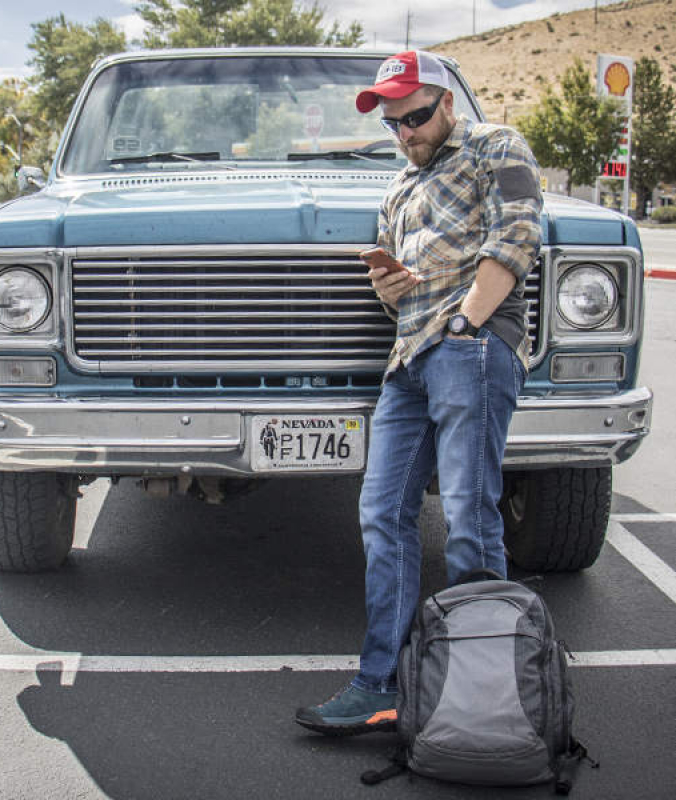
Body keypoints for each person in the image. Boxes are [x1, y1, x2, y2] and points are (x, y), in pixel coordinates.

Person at [295, 50, 543, 735]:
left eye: (415, 115)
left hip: (469, 348)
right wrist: (386, 289)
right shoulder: (400, 187)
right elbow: (398, 289)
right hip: (407, 360)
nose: (405, 132)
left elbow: (518, 235)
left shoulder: (496, 145)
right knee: (381, 514)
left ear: (447, 101)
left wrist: (466, 322)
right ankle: (382, 685)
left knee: (468, 516)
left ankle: (485, 698)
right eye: (394, 123)